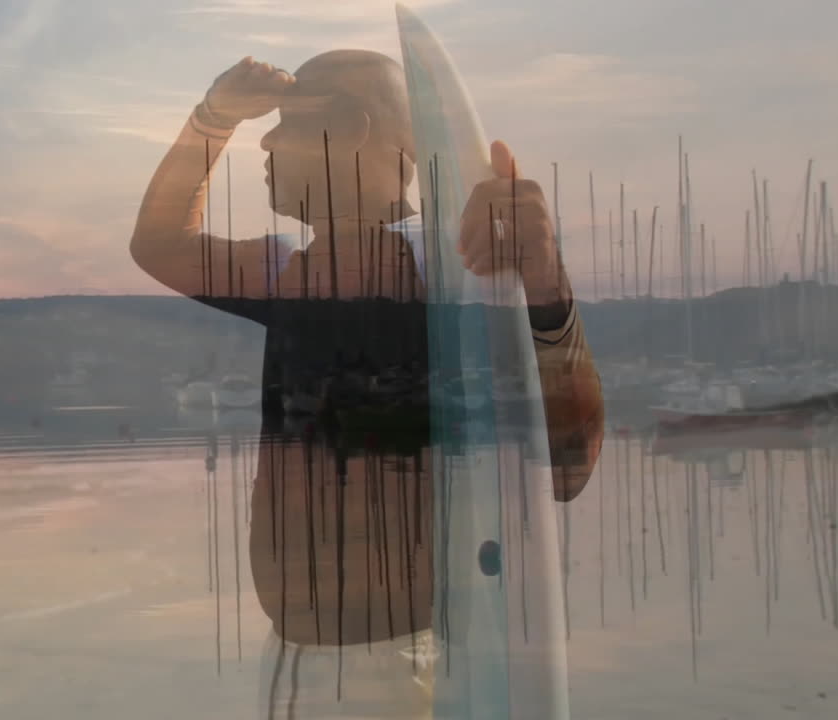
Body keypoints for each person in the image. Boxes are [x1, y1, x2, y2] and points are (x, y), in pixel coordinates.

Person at [131, 50, 604, 719]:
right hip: (341, 660)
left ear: (349, 127)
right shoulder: (315, 269)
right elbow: (157, 245)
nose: (263, 141)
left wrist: (547, 287)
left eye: (286, 123)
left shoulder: (435, 272)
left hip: (383, 666)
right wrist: (211, 119)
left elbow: (564, 467)